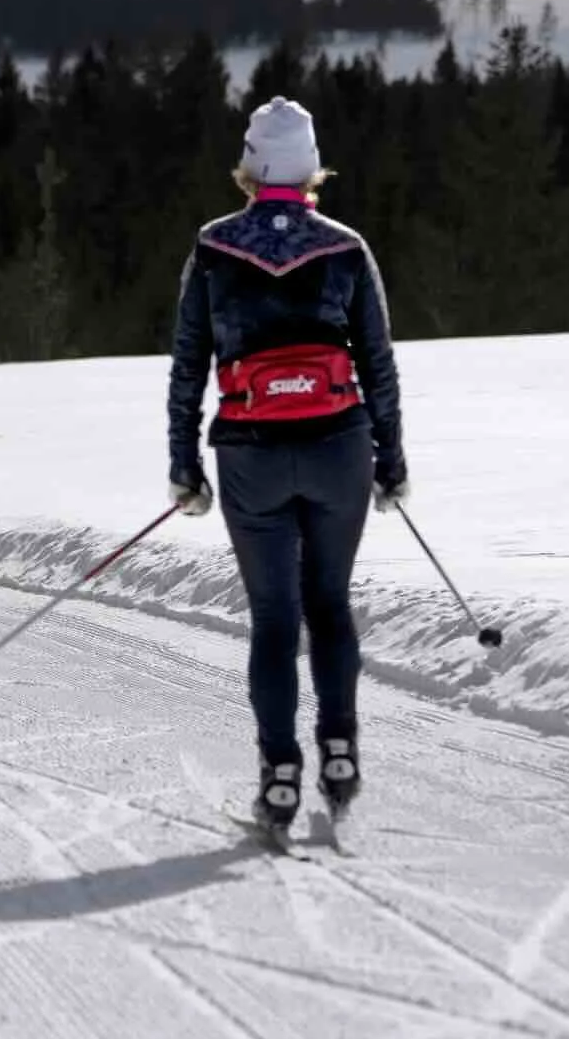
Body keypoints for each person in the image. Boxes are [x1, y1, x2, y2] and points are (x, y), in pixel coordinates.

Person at [165, 98, 407, 841]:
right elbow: (377, 361)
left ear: (249, 168)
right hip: (338, 444)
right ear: (310, 167)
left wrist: (184, 467)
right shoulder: (345, 247)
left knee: (275, 618)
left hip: (250, 452)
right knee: (329, 604)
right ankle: (339, 754)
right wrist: (390, 459)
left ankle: (278, 777)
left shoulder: (212, 246)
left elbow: (189, 365)